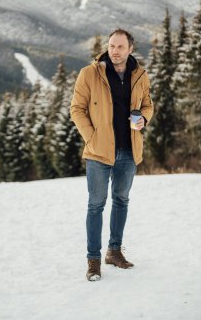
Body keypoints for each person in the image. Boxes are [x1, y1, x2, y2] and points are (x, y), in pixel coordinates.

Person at [70, 28, 154, 281]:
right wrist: (91, 138)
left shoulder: (140, 75)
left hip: (128, 150)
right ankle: (93, 260)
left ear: (130, 49)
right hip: (98, 151)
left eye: (120, 47)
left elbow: (148, 104)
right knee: (96, 205)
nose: (114, 51)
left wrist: (143, 120)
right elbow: (77, 109)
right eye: (111, 46)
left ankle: (114, 252)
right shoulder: (90, 73)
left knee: (121, 201)